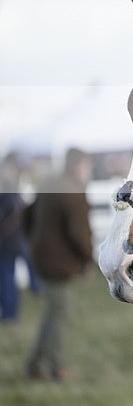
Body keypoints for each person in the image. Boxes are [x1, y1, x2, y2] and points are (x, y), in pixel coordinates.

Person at [25, 148, 94, 381]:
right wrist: (87, 260)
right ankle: (57, 367)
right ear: (78, 166)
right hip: (58, 264)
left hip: (41, 258)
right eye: (86, 165)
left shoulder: (49, 183)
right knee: (60, 314)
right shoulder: (72, 190)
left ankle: (34, 365)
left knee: (53, 312)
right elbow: (80, 234)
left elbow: (26, 216)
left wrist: (34, 243)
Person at [0, 154, 25, 322]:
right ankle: (10, 312)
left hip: (7, 241)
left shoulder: (8, 190)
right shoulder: (13, 187)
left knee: (6, 277)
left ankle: (10, 314)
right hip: (12, 240)